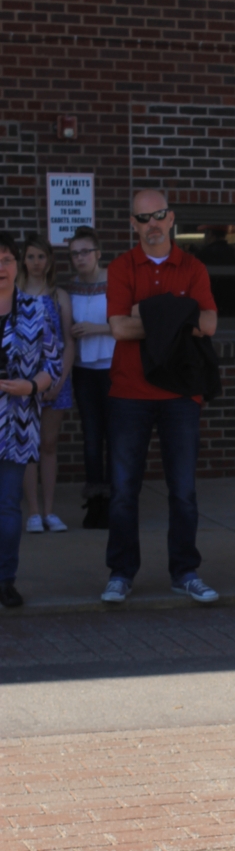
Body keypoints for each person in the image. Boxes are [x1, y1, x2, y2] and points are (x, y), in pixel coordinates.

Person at [103, 189, 220, 604]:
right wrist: (178, 313)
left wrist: (146, 313)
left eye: (158, 215)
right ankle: (121, 573)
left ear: (171, 218)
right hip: (128, 392)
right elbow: (119, 327)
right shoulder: (121, 267)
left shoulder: (192, 266)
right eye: (143, 218)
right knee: (123, 491)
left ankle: (184, 571)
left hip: (181, 394)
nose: (151, 224)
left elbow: (209, 323)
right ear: (133, 224)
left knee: (183, 491)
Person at [0, 233, 62, 608]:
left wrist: (31, 386)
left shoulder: (37, 310)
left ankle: (5, 580)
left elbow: (52, 366)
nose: (1, 268)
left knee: (8, 504)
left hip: (16, 421)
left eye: (6, 260)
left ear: (17, 264)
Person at [18, 234, 74, 533]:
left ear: (49, 260)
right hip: (24, 381)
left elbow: (69, 341)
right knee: (28, 445)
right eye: (31, 257)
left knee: (49, 444)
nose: (36, 262)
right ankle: (33, 513)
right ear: (23, 260)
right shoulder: (12, 294)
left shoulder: (58, 295)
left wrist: (59, 380)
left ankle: (50, 511)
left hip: (55, 379)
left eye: (41, 257)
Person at [67, 226, 115, 529]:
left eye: (85, 251)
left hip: (111, 366)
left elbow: (126, 321)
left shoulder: (113, 283)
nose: (80, 258)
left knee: (115, 435)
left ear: (97, 253)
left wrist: (95, 328)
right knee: (91, 436)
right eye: (74, 253)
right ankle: (95, 500)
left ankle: (115, 499)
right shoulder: (70, 288)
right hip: (83, 368)